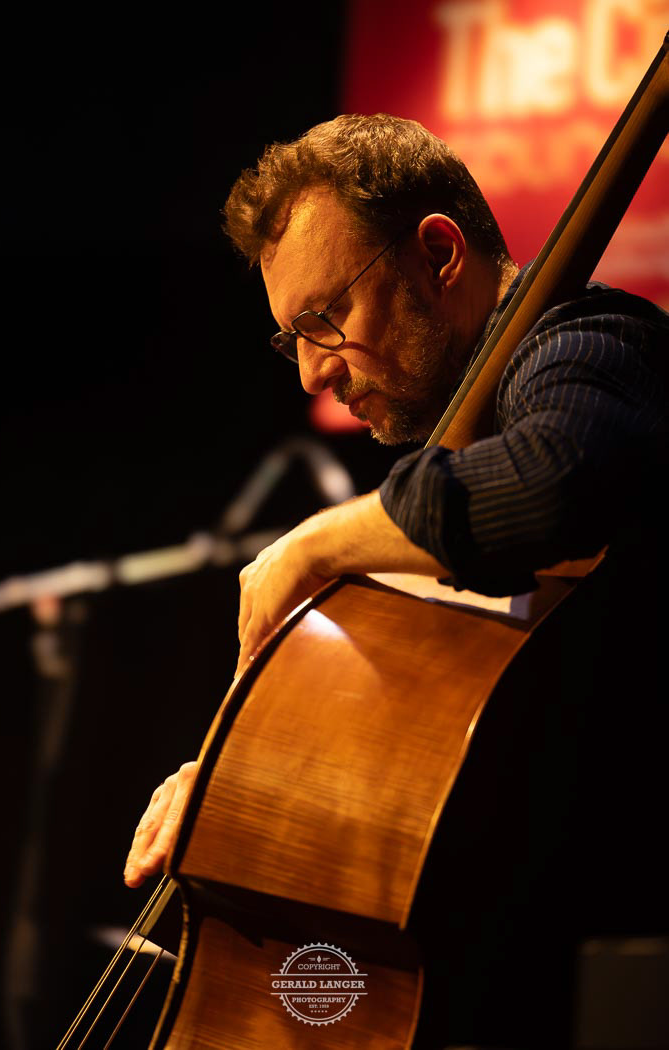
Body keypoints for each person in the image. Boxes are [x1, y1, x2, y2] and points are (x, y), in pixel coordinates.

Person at [123, 115, 668, 1046]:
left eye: (324, 318)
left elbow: (554, 482)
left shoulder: (588, 340)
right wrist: (243, 783)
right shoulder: (462, 458)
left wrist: (316, 544)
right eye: (291, 337)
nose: (311, 372)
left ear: (440, 255)